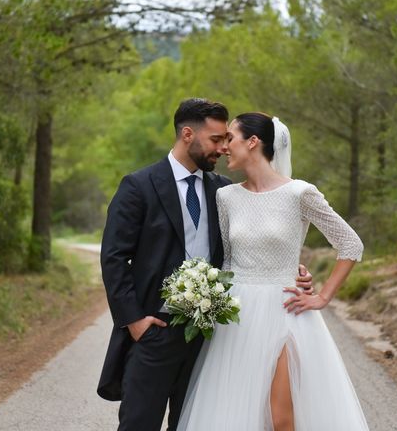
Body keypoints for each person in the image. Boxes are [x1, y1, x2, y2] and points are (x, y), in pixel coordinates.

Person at [97, 99, 313, 431]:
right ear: (187, 134)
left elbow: (252, 245)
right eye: (215, 139)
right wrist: (135, 321)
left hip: (210, 338)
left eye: (227, 139)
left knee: (195, 424)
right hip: (154, 330)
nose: (223, 147)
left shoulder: (225, 192)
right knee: (139, 423)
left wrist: (293, 270)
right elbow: (113, 257)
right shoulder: (139, 186)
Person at [178, 112, 370, 430]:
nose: (224, 147)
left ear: (253, 142)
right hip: (237, 317)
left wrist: (322, 296)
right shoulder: (225, 197)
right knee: (235, 413)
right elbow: (227, 261)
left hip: (285, 310)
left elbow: (350, 245)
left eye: (231, 138)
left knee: (280, 416)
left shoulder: (299, 193)